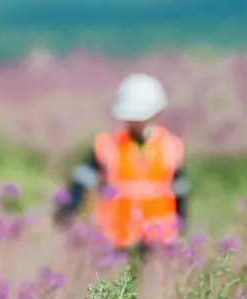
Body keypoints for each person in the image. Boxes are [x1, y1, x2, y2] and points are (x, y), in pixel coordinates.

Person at [54, 73, 189, 258]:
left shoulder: (170, 147)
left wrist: (181, 224)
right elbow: (82, 180)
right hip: (115, 239)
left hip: (159, 240)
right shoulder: (108, 145)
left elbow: (179, 190)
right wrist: (68, 210)